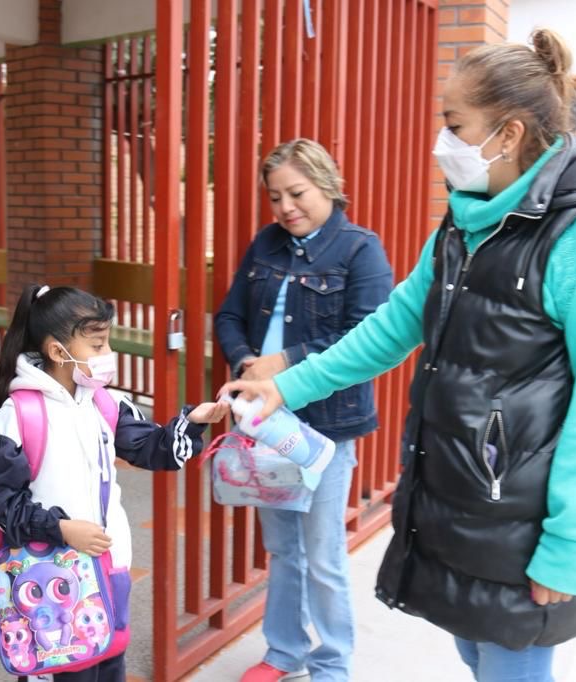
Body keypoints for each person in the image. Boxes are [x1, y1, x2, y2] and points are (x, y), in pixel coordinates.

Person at [221, 29, 576, 682]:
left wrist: (569, 546)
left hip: (524, 517)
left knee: (510, 664)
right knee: (473, 652)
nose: (440, 143)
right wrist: (287, 387)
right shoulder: (465, 222)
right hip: (458, 499)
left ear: (507, 135)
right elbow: (393, 326)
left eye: (454, 125)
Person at [0, 284, 228, 682]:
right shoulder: (17, 416)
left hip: (109, 567)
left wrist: (191, 423)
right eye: (97, 344)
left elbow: (152, 448)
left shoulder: (102, 402)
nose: (108, 354)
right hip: (50, 581)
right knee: (66, 671)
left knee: (109, 666)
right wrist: (61, 528)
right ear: (59, 352)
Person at [214, 138, 393, 682]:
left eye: (297, 192)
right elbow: (228, 316)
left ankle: (332, 664)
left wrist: (284, 361)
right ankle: (283, 653)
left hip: (327, 425)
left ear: (327, 186)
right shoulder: (265, 244)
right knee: (283, 548)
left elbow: (366, 338)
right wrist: (248, 362)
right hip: (265, 423)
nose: (286, 207)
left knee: (323, 553)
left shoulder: (361, 250)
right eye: (275, 197)